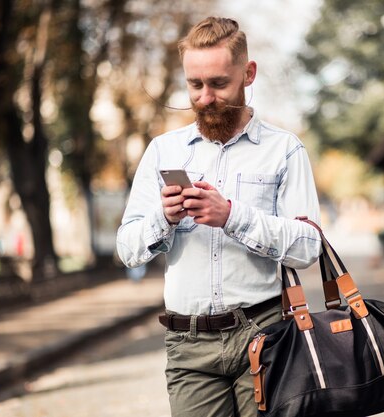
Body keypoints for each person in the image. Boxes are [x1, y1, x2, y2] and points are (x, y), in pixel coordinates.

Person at [116, 16, 321, 417]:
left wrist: (231, 216)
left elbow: (308, 247)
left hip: (263, 335)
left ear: (248, 74)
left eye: (218, 84)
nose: (206, 97)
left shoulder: (284, 150)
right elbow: (127, 249)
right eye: (195, 85)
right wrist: (164, 219)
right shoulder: (163, 151)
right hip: (188, 346)